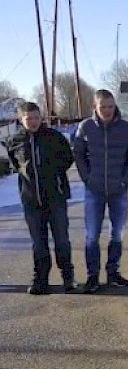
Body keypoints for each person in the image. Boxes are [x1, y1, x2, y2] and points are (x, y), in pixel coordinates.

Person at [73, 89, 128, 294]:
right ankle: (92, 277)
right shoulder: (85, 127)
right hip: (94, 191)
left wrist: (124, 182)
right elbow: (78, 154)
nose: (107, 110)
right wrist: (87, 178)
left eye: (111, 106)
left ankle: (113, 273)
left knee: (117, 235)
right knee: (92, 236)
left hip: (118, 191)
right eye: (103, 106)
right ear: (95, 107)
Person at [6, 101, 76, 294]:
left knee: (61, 239)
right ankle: (40, 280)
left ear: (41, 117)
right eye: (29, 119)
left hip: (55, 198)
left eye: (37, 117)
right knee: (38, 243)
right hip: (31, 200)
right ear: (21, 119)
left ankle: (68, 277)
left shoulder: (54, 137)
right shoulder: (15, 141)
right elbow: (16, 165)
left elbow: (67, 159)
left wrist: (53, 175)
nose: (34, 122)